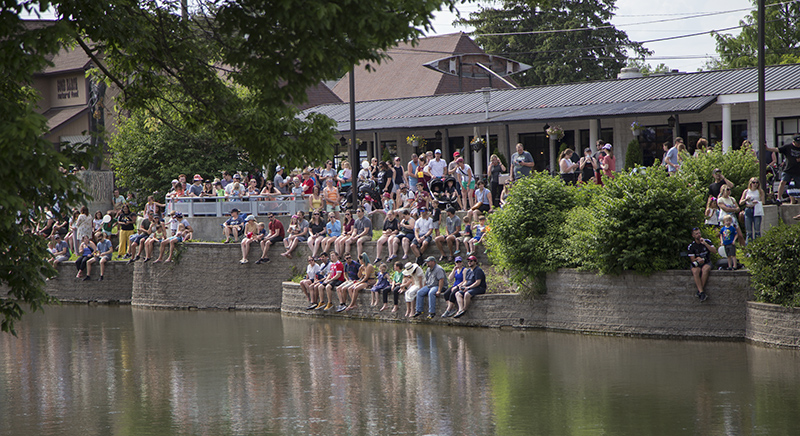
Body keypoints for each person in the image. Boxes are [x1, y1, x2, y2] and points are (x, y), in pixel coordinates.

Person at [765, 134, 800, 203]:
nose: (799, 145)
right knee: (783, 182)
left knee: (797, 185)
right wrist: (767, 148)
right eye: (798, 143)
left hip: (798, 171)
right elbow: (777, 149)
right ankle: (778, 198)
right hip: (788, 169)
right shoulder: (788, 147)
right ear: (794, 142)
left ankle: (797, 200)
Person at [688, 227, 714, 302]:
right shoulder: (691, 246)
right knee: (695, 271)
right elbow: (692, 259)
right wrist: (698, 259)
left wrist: (705, 244)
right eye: (696, 234)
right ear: (693, 236)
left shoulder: (707, 241)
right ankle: (701, 292)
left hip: (707, 262)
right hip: (697, 263)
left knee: (705, 269)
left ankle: (699, 291)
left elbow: (714, 251)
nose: (698, 235)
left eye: (699, 233)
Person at [739, 177, 765, 244]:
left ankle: (758, 246)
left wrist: (757, 202)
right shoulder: (746, 191)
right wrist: (746, 199)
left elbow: (763, 202)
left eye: (757, 182)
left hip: (756, 209)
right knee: (749, 231)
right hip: (748, 209)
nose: (755, 184)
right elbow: (740, 202)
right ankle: (748, 248)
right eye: (753, 182)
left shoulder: (760, 191)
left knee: (757, 230)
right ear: (750, 183)